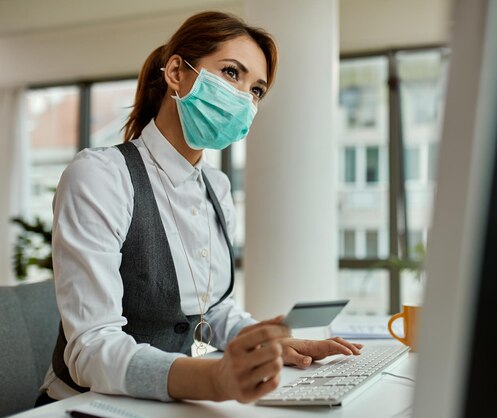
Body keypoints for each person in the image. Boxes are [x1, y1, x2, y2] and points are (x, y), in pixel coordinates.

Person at [37, 11, 362, 406]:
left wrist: (268, 342)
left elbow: (215, 311)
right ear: (177, 71)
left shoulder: (218, 187)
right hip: (89, 406)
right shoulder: (100, 176)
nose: (244, 97)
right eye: (231, 73)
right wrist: (213, 379)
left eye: (256, 90)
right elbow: (90, 347)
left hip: (171, 402)